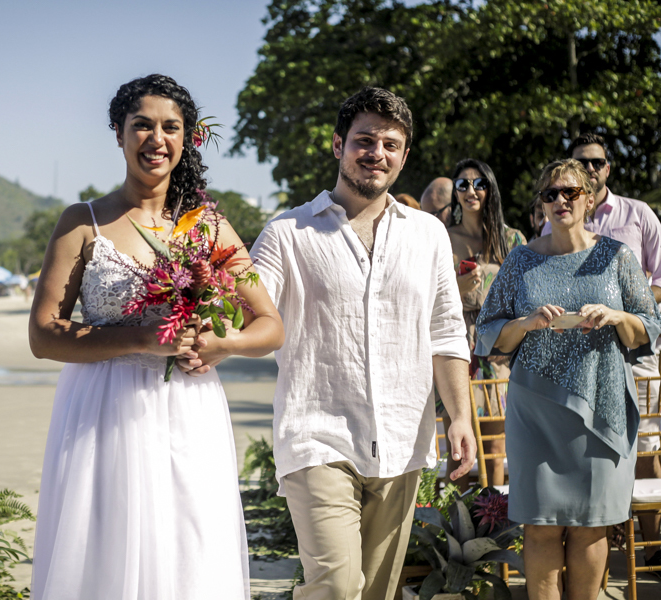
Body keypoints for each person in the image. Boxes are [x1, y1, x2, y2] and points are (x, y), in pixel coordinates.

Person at [201, 87, 475, 600]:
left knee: (374, 592)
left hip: (402, 439)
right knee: (336, 585)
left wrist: (459, 415)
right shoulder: (289, 232)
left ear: (404, 156)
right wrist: (220, 333)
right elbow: (252, 311)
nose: (377, 153)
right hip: (317, 432)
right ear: (337, 146)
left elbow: (445, 331)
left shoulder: (427, 235)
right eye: (364, 140)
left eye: (391, 144)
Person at [27, 74, 283, 600]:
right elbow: (43, 335)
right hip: (101, 410)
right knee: (102, 552)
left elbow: (269, 326)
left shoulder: (207, 226)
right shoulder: (83, 222)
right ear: (118, 134)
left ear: (186, 138)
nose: (155, 138)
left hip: (189, 414)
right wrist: (144, 339)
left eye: (170, 127)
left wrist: (222, 346)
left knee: (189, 549)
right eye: (141, 125)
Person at [476, 158, 660, 599]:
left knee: (591, 531)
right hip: (535, 411)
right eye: (550, 194)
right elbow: (487, 332)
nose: (560, 200)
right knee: (539, 529)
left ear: (591, 199)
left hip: (603, 407)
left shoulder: (616, 256)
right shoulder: (520, 261)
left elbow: (649, 326)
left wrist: (616, 316)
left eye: (570, 192)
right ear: (541, 205)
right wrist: (526, 322)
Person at [543, 132, 661, 569]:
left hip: (633, 348)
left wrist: (619, 309)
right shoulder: (553, 218)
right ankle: (598, 547)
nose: (587, 170)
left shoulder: (639, 215)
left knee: (644, 446)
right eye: (579, 163)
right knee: (584, 452)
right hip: (571, 356)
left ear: (607, 168)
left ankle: (650, 549)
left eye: (595, 163)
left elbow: (660, 285)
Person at [442, 158, 526, 490]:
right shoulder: (441, 238)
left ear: (490, 189)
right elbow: (426, 295)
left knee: (494, 443)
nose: (471, 191)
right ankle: (454, 526)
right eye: (462, 184)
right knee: (457, 439)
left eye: (479, 184)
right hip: (456, 343)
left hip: (500, 346)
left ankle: (495, 518)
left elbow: (527, 295)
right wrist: (458, 288)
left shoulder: (512, 240)